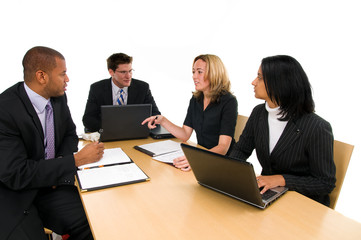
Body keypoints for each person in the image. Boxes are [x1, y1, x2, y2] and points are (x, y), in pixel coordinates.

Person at [0, 46, 104, 240]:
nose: (67, 79)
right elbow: (15, 174)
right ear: (42, 76)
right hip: (18, 195)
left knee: (97, 223)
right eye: (63, 74)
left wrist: (57, 171)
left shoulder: (58, 97)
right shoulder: (5, 110)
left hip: (52, 186)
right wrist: (73, 161)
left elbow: (69, 135)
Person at [230, 55, 336, 206]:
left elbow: (325, 183)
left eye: (259, 77)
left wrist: (282, 179)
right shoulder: (259, 113)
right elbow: (241, 150)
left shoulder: (317, 127)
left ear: (279, 84)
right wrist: (226, 174)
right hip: (267, 195)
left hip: (302, 204)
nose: (253, 82)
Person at [143, 54, 238, 171]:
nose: (194, 76)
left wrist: (197, 159)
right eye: (193, 72)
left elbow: (223, 147)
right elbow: (185, 134)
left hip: (221, 162)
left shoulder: (229, 101)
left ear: (214, 73)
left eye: (199, 72)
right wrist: (162, 120)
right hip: (203, 156)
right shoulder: (196, 99)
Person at [82, 52, 161, 132]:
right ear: (111, 72)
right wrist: (110, 129)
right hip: (108, 132)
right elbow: (88, 119)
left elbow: (156, 115)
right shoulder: (97, 88)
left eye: (130, 71)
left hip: (134, 132)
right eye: (123, 72)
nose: (128, 76)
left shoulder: (142, 87)